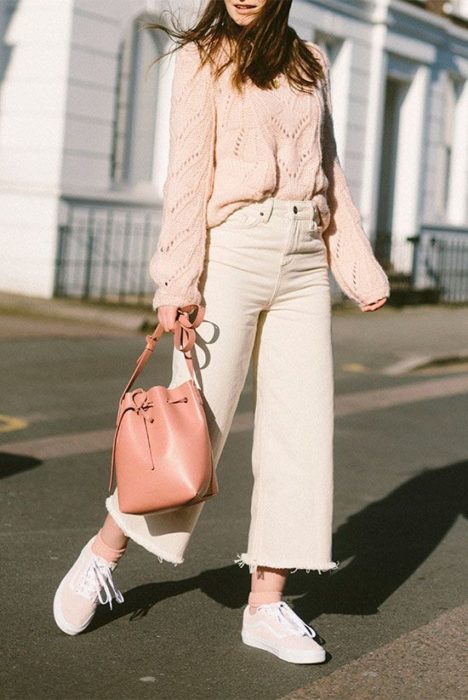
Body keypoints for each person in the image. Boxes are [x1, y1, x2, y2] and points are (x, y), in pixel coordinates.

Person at [53, 0, 390, 664]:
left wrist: (357, 263)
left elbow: (329, 168)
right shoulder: (203, 59)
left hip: (300, 259)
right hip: (232, 252)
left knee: (301, 434)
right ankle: (105, 551)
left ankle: (266, 606)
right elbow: (186, 174)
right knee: (192, 427)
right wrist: (177, 282)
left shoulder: (309, 61)